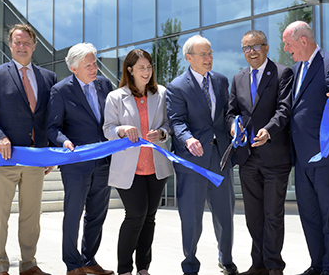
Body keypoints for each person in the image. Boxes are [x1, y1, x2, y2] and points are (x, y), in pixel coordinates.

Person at [0, 24, 57, 275]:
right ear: (10, 46)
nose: (22, 46)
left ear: (34, 45)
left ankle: (29, 264)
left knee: (31, 218)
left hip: (34, 159)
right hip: (3, 159)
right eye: (17, 42)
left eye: (26, 42)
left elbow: (50, 119)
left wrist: (49, 152)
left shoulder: (48, 77)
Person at [283, 21, 329, 275]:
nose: (286, 49)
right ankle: (318, 264)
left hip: (326, 153)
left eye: (288, 44)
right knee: (310, 215)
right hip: (302, 158)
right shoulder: (295, 69)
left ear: (303, 40)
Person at [166, 35, 236, 275]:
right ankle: (190, 264)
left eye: (210, 53)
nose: (209, 58)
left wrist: (233, 125)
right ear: (189, 58)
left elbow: (227, 113)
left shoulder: (221, 81)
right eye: (203, 54)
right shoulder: (177, 86)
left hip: (220, 158)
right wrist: (188, 138)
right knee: (191, 216)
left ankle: (226, 259)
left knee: (225, 213)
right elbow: (176, 121)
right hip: (192, 161)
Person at [226, 30, 293, 275]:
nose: (251, 51)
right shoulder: (238, 78)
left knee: (273, 214)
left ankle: (275, 266)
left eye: (256, 46)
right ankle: (259, 264)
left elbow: (284, 110)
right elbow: (231, 112)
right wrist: (233, 125)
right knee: (254, 216)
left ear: (266, 47)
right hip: (247, 158)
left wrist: (268, 130)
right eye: (246, 47)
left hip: (275, 156)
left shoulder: (283, 73)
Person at [103, 49, 174, 275]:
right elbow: (108, 129)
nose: (146, 71)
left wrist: (162, 133)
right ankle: (125, 269)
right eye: (141, 67)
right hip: (129, 169)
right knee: (135, 215)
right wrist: (122, 130)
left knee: (149, 218)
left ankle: (143, 268)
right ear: (130, 70)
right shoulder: (115, 97)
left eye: (149, 67)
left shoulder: (161, 93)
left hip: (155, 166)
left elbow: (169, 125)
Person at [46, 43, 114, 275]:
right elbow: (53, 127)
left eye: (95, 63)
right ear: (74, 68)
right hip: (76, 164)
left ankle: (89, 260)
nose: (94, 68)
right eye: (89, 65)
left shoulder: (105, 85)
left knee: (97, 214)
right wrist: (64, 141)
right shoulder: (60, 90)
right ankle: (72, 264)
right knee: (73, 214)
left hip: (104, 162)